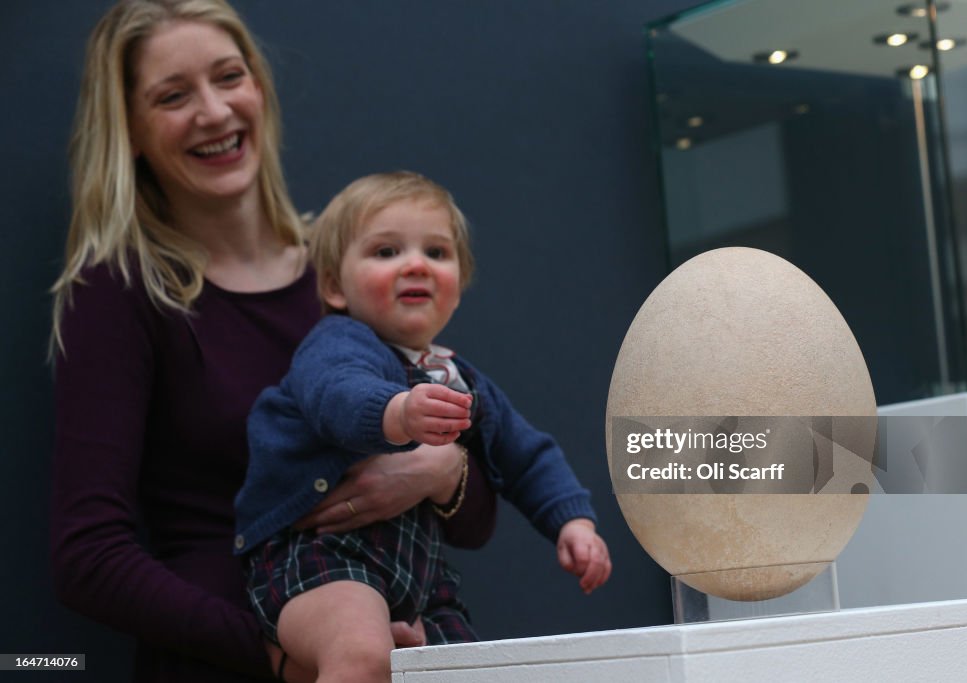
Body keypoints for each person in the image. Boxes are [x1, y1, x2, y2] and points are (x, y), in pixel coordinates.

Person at [48, 3, 496, 681]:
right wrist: (277, 653)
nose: (214, 111)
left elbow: (475, 522)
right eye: (173, 96)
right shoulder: (121, 292)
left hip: (404, 650)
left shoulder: (353, 274)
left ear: (259, 87)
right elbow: (88, 556)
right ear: (132, 132)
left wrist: (445, 471)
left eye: (229, 77)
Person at [234, 171, 613, 682]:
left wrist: (574, 522)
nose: (415, 264)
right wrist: (398, 412)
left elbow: (526, 454)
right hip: (319, 560)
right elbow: (336, 394)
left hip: (423, 579)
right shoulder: (336, 341)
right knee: (363, 658)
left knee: (466, 670)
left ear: (460, 282)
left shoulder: (460, 376)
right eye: (386, 252)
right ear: (333, 286)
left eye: (436, 252)